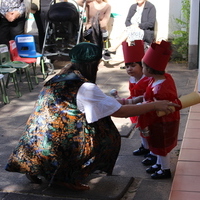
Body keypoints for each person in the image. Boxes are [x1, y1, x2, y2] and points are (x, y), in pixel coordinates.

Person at [5, 41, 179, 190]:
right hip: (56, 141)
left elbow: (106, 103)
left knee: (94, 120)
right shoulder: (86, 87)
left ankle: (37, 167)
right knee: (106, 134)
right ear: (90, 65)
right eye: (96, 65)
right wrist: (154, 105)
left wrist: (132, 101)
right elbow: (120, 112)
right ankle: (66, 176)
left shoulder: (61, 75)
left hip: (34, 138)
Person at [137, 40, 182, 179]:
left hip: (164, 121)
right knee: (155, 142)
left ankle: (165, 169)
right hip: (156, 120)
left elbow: (159, 104)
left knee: (161, 146)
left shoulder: (161, 88)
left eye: (143, 66)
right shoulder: (159, 79)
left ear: (149, 70)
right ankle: (158, 163)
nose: (142, 69)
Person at [121, 40, 157, 166]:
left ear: (142, 66)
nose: (129, 69)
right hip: (136, 107)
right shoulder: (132, 79)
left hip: (147, 107)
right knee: (140, 128)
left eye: (133, 65)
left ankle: (153, 151)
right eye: (127, 66)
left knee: (149, 130)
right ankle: (144, 146)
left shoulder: (148, 80)